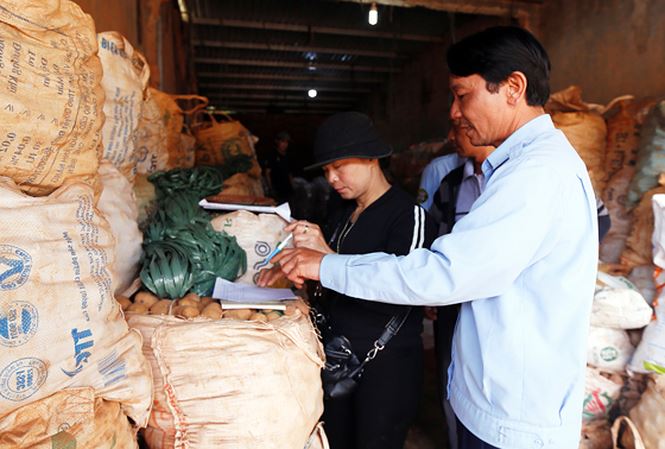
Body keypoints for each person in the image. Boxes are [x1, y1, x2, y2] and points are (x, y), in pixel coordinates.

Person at [263, 26, 599, 449]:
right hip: (495, 400)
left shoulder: (538, 174)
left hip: (513, 417)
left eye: (463, 95)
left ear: (514, 87)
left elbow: (444, 273)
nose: (454, 113)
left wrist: (324, 264)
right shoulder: (522, 168)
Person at [260, 111, 436, 449]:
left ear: (372, 158)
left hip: (384, 368)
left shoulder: (407, 215)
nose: (332, 178)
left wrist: (325, 256)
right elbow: (331, 282)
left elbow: (404, 286)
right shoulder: (342, 213)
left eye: (340, 166)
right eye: (326, 170)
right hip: (338, 358)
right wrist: (301, 272)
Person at [264, 131, 294, 203]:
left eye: (286, 142)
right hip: (277, 190)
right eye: (283, 141)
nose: (285, 144)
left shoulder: (287, 156)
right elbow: (267, 173)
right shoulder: (272, 155)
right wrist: (270, 188)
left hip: (287, 189)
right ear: (277, 142)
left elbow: (289, 173)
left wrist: (292, 186)